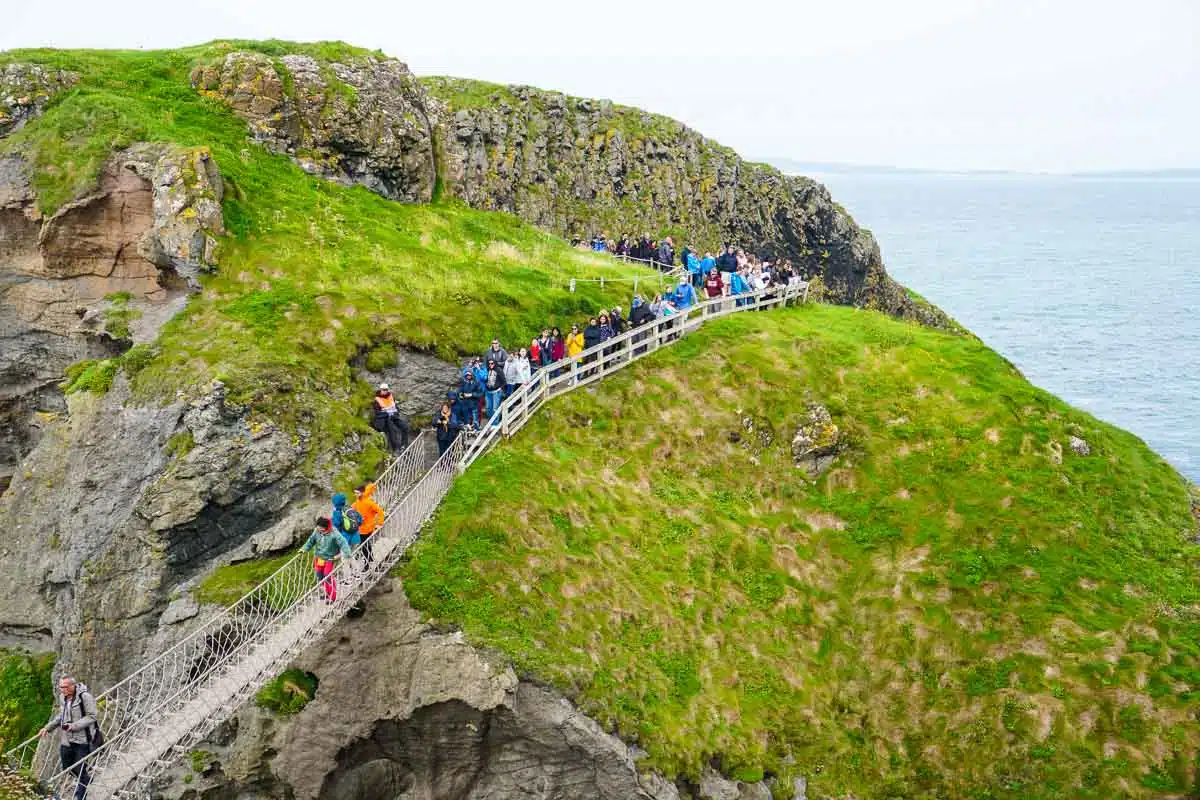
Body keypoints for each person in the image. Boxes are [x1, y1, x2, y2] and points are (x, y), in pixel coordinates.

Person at [40, 677, 97, 800]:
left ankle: (80, 796)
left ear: (73, 686)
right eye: (61, 687)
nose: (62, 690)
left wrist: (74, 726)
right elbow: (61, 715)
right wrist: (48, 728)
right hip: (67, 740)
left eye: (65, 687)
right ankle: (86, 780)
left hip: (82, 740)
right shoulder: (63, 698)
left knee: (79, 768)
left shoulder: (85, 697)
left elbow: (92, 716)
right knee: (67, 767)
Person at [302, 516, 353, 604]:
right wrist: (304, 549)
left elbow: (343, 543)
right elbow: (311, 540)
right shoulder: (317, 531)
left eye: (321, 528)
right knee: (319, 575)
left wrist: (347, 554)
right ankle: (325, 592)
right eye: (318, 527)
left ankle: (332, 596)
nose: (319, 529)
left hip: (330, 558)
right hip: (319, 557)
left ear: (326, 527)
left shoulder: (334, 533)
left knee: (327, 575)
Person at [370, 384, 410, 454]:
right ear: (380, 390)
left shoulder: (391, 397)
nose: (385, 391)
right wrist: (387, 414)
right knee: (392, 429)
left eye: (386, 389)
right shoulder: (377, 400)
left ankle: (404, 445)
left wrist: (395, 413)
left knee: (405, 426)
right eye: (383, 390)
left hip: (393, 416)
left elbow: (396, 408)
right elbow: (377, 413)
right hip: (384, 419)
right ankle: (396, 448)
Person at [352, 482, 384, 564]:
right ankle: (369, 558)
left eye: (357, 493)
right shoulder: (358, 501)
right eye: (355, 493)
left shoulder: (369, 502)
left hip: (367, 527)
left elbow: (380, 511)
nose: (356, 495)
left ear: (362, 492)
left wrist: (379, 523)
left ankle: (367, 562)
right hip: (361, 527)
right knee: (364, 544)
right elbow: (356, 506)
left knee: (364, 545)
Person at [484, 358, 507, 425]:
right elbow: (484, 379)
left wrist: (500, 388)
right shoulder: (487, 370)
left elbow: (504, 381)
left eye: (492, 363)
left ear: (495, 363)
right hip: (488, 391)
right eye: (489, 363)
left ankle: (495, 424)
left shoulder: (499, 370)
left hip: (496, 392)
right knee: (488, 408)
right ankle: (491, 422)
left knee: (495, 408)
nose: (491, 365)